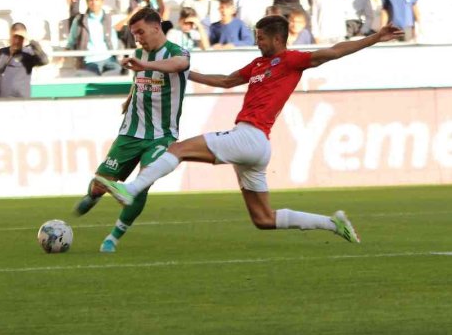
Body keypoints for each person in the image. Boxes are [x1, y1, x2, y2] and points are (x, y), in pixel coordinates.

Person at [94, 16, 407, 244]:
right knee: (263, 219)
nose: (257, 42)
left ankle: (130, 190)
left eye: (261, 38)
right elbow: (228, 80)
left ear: (277, 38)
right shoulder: (257, 66)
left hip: (250, 135)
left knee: (176, 149)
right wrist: (191, 73)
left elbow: (336, 51)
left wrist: (375, 37)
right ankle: (332, 223)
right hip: (255, 147)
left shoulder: (292, 60)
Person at [73, 7, 189, 253]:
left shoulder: (177, 52)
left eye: (140, 32)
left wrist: (145, 64)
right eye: (134, 34)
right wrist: (130, 97)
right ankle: (94, 195)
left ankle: (113, 237)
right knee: (99, 184)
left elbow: (180, 64)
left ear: (156, 27)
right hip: (130, 133)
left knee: (143, 182)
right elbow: (140, 80)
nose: (137, 38)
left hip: (162, 135)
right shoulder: (139, 53)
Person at [67, 0, 121, 76]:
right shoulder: (79, 20)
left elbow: (114, 39)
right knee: (90, 78)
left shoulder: (109, 19)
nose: (94, 3)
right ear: (87, 2)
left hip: (108, 58)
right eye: (91, 0)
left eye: (97, 0)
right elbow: (71, 40)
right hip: (89, 60)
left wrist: (115, 55)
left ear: (102, 1)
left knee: (116, 74)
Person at [0, 22, 49, 98]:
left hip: (20, 101)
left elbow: (44, 60)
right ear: (10, 36)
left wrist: (31, 41)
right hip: (0, 100)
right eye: (15, 37)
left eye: (20, 38)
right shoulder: (1, 53)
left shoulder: (28, 54)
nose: (17, 41)